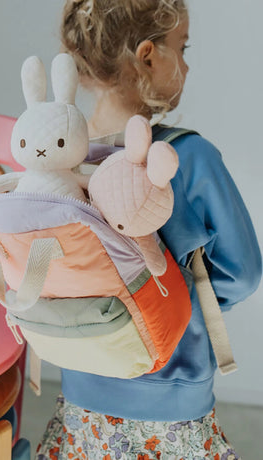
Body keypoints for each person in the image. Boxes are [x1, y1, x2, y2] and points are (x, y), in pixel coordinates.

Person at [35, 1, 262, 459]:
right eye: (182, 46)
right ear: (146, 56)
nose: (187, 62)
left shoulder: (59, 160)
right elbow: (244, 273)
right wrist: (179, 298)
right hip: (173, 398)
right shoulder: (189, 158)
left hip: (83, 383)